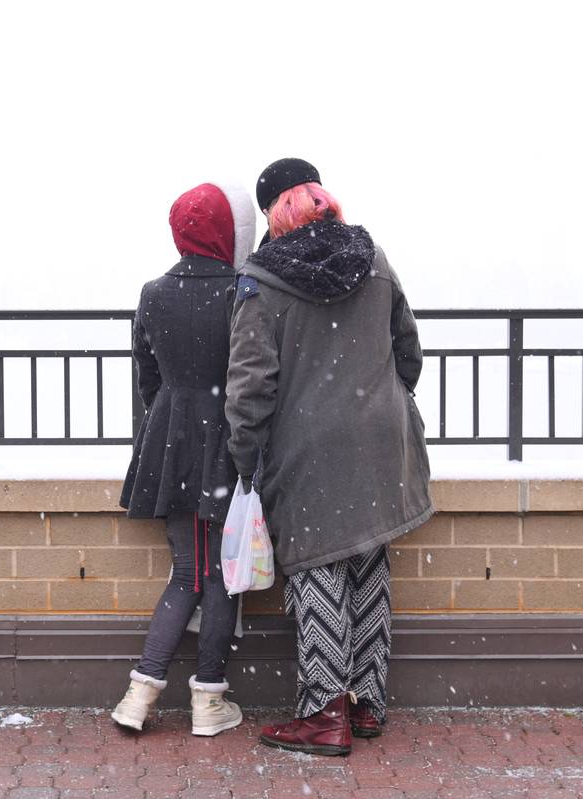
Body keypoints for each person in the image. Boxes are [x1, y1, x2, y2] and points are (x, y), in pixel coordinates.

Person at [225, 158, 433, 756]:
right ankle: (367, 703)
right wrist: (379, 404)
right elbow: (408, 352)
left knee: (317, 567)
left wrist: (245, 459)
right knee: (368, 560)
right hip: (380, 441)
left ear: (273, 212)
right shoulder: (374, 260)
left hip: (308, 448)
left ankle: (324, 713)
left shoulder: (260, 281)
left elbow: (250, 388)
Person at [112, 181, 256, 736]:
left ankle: (140, 694)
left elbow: (148, 376)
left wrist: (173, 418)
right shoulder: (242, 290)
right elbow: (251, 372)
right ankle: (207, 702)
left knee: (187, 574)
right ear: (225, 232)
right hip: (225, 445)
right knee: (218, 578)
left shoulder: (153, 292)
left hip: (169, 446)